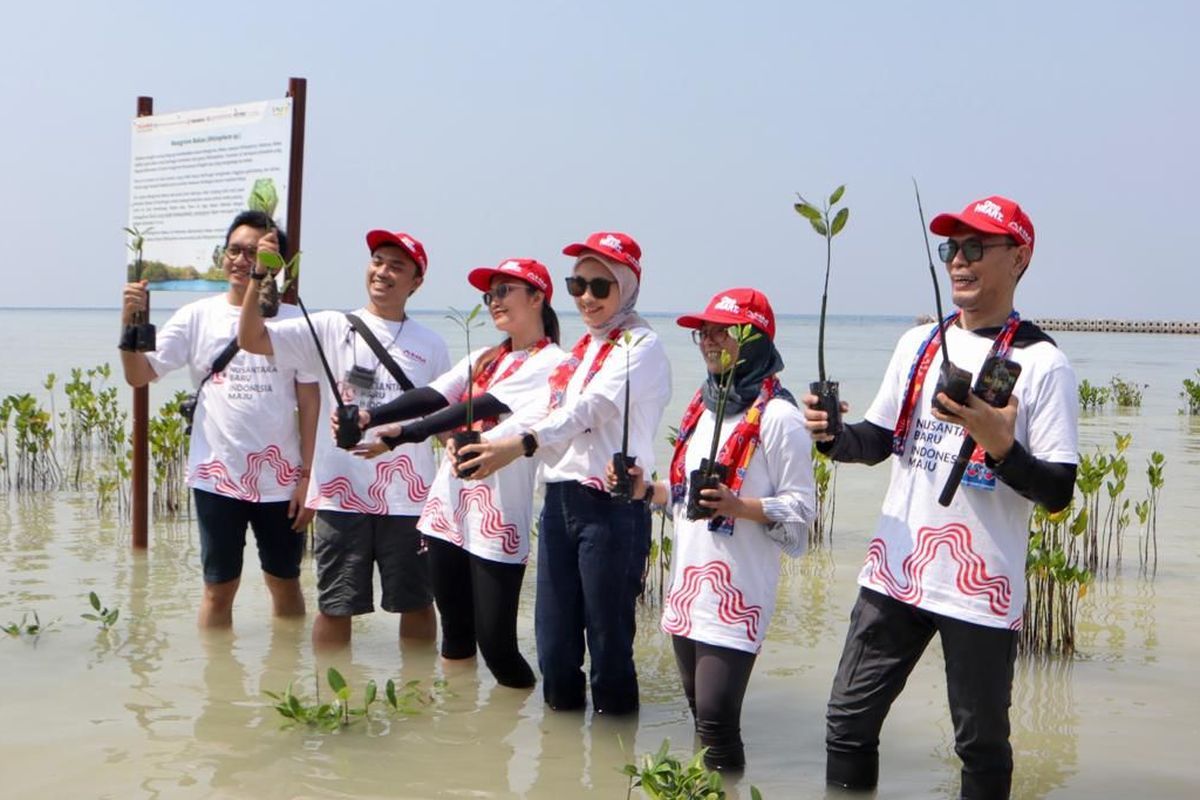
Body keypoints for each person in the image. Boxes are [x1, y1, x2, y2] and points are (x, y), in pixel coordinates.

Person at [804, 196, 1078, 799]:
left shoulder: (1041, 362)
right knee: (847, 722)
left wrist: (1001, 447)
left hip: (979, 586)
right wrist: (832, 437)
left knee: (979, 747)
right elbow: (876, 440)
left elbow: (1057, 491)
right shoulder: (919, 343)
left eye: (975, 247)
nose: (959, 260)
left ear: (1020, 258)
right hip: (896, 569)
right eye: (950, 248)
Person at [455, 231, 672, 715]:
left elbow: (589, 409)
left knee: (609, 649)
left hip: (612, 511)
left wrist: (520, 446)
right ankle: (562, 766)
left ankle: (616, 768)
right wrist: (487, 442)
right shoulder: (582, 350)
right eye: (578, 286)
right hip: (559, 505)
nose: (587, 298)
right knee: (553, 648)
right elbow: (545, 408)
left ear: (627, 287)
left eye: (601, 287)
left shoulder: (642, 345)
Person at [615, 287, 815, 770]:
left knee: (718, 721)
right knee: (701, 722)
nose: (707, 340)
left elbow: (801, 511)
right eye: (702, 332)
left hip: (736, 591)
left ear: (754, 341)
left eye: (720, 331)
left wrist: (737, 505)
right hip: (689, 587)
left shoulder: (780, 417)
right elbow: (684, 495)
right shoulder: (703, 407)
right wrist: (647, 489)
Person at [340, 258, 564, 688]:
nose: (493, 302)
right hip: (447, 510)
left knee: (497, 647)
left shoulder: (554, 362)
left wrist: (400, 436)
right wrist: (372, 415)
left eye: (503, 291)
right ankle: (457, 729)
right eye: (489, 294)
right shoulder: (485, 357)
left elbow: (476, 408)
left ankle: (518, 733)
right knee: (455, 636)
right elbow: (433, 395)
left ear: (537, 297)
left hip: (497, 515)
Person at [237, 228, 451, 650]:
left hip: (409, 499)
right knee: (335, 605)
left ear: (417, 282)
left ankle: (420, 700)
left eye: (397, 266)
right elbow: (251, 338)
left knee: (418, 602)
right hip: (340, 495)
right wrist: (260, 275)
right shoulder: (332, 326)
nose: (383, 272)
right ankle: (334, 702)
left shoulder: (432, 344)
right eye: (377, 261)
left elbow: (442, 416)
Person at [119, 210, 319, 628]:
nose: (242, 260)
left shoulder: (295, 321)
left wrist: (307, 478)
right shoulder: (197, 316)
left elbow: (310, 402)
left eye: (255, 252)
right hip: (216, 476)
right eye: (234, 250)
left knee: (284, 582)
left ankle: (285, 677)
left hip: (279, 481)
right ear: (222, 256)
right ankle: (216, 690)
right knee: (217, 589)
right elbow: (140, 375)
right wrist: (129, 324)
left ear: (275, 263)